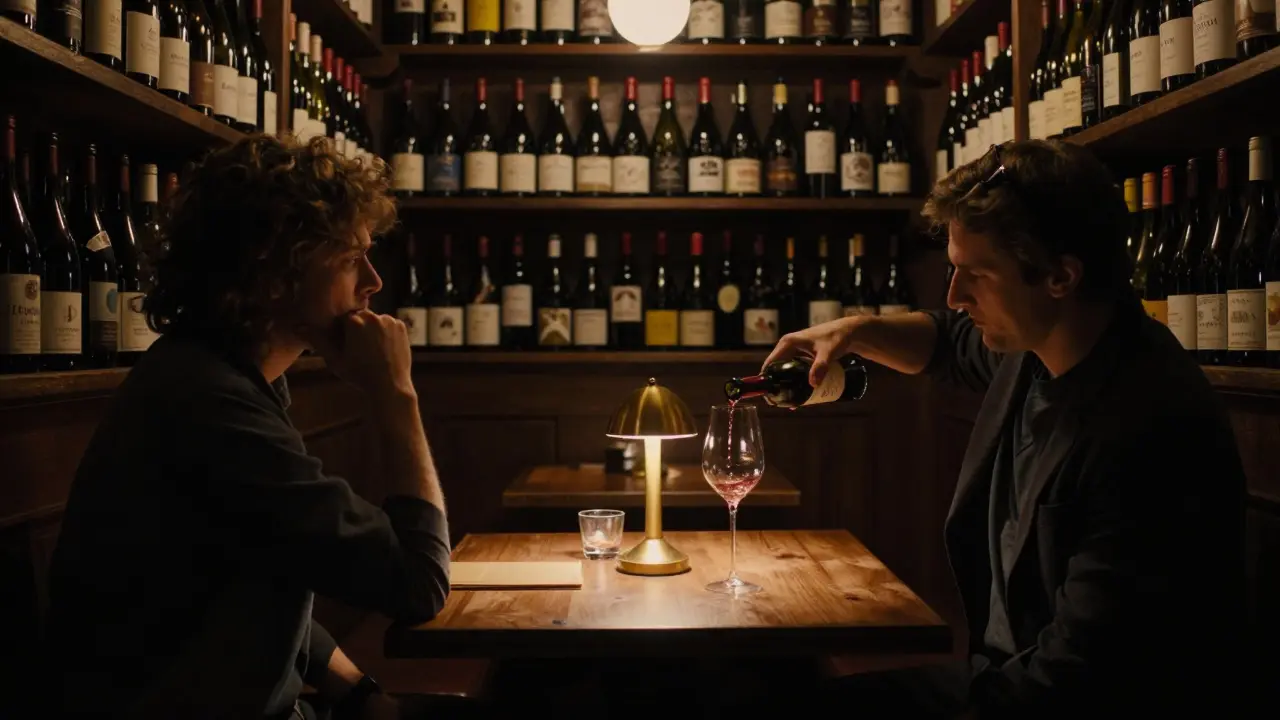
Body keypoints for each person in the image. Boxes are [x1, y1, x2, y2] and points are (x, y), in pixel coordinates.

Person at [764, 141, 1247, 718]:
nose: (954, 296)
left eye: (976, 275)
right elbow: (945, 342)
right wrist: (853, 330)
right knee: (771, 685)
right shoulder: (1039, 344)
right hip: (1004, 676)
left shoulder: (1150, 429)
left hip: (1064, 701)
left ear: (1060, 277)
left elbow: (1080, 675)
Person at [42, 135, 452, 719]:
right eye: (347, 258)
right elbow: (419, 585)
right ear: (275, 270)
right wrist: (396, 395)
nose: (373, 282)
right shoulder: (208, 403)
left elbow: (265, 576)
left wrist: (361, 695)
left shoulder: (212, 376)